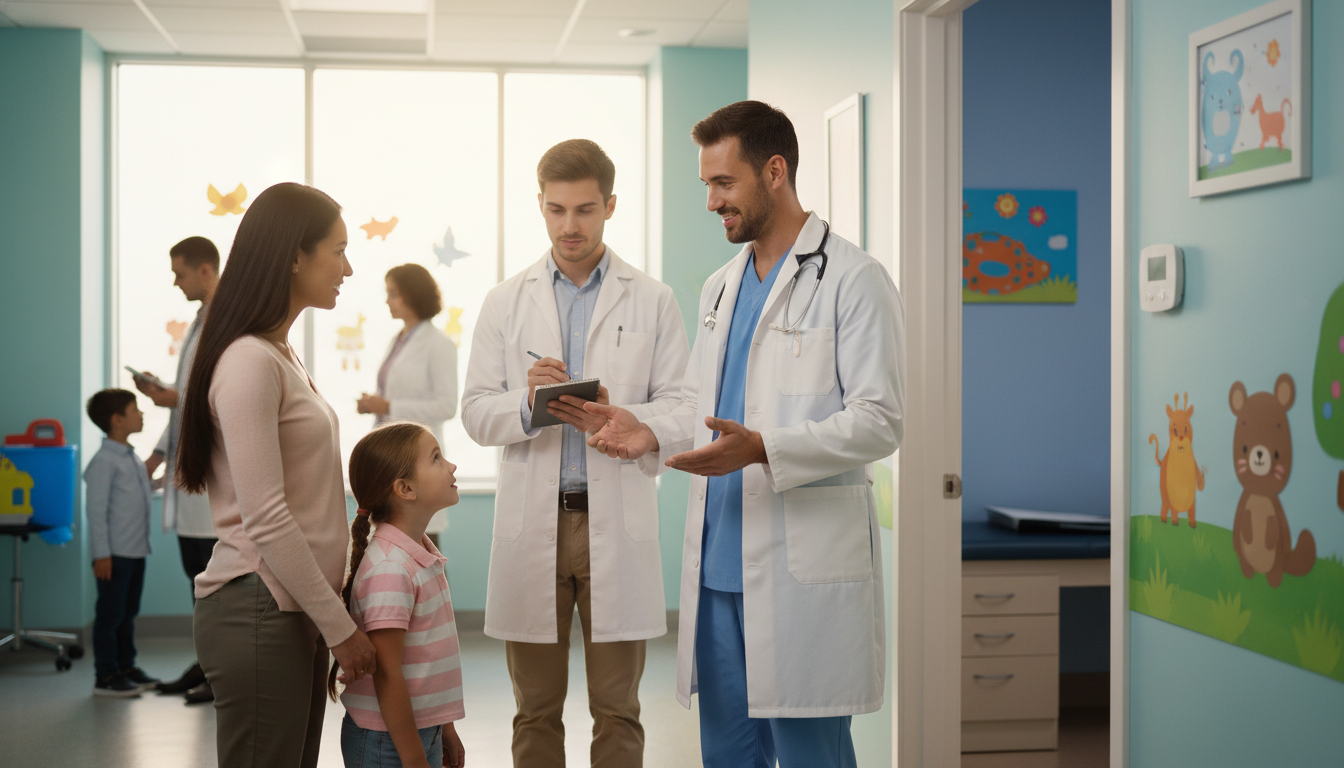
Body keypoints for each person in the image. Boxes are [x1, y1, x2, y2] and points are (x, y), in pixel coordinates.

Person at [584, 101, 906, 768]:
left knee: (812, 753)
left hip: (801, 568)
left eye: (723, 183)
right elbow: (709, 409)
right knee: (728, 755)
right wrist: (647, 430)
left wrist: (764, 448)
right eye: (707, 184)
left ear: (775, 172)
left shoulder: (854, 279)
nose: (711, 201)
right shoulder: (719, 289)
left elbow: (881, 419)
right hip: (718, 572)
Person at [461, 138, 689, 767]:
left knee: (618, 711)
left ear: (610, 206)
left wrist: (631, 420)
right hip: (535, 519)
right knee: (534, 711)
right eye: (557, 209)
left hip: (614, 517)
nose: (570, 225)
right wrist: (527, 403)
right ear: (539, 205)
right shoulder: (505, 301)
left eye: (585, 209)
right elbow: (476, 413)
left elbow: (686, 408)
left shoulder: (653, 298)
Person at [175, 182, 377, 768]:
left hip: (292, 607)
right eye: (337, 250)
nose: (348, 266)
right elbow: (266, 515)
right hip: (260, 605)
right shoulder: (248, 360)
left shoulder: (278, 352)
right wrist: (339, 626)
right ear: (294, 254)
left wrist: (329, 614)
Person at [333, 422, 467, 768]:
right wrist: (414, 759)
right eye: (436, 458)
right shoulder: (391, 569)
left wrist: (444, 726)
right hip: (388, 744)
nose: (451, 466)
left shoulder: (417, 553)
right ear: (405, 488)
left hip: (418, 730)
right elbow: (388, 674)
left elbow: (423, 660)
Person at [134, 235, 220, 705]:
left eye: (180, 273)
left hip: (212, 479)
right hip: (190, 475)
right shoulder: (202, 319)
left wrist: (176, 399)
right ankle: (205, 663)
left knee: (210, 579)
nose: (175, 281)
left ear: (205, 270)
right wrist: (159, 452)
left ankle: (217, 671)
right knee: (196, 574)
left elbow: (214, 399)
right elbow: (188, 400)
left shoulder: (228, 321)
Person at [357, 263, 458, 537]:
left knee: (422, 548)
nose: (387, 301)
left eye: (393, 293)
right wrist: (375, 404)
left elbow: (447, 406)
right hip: (392, 458)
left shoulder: (439, 343)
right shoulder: (397, 340)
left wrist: (389, 407)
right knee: (391, 543)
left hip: (417, 460)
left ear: (412, 295)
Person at [84, 389, 161, 697]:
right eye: (135, 410)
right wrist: (101, 554)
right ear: (117, 420)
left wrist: (163, 480)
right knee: (110, 615)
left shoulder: (128, 456)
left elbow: (140, 491)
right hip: (114, 555)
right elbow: (96, 511)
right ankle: (105, 675)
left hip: (134, 551)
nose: (140, 414)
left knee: (127, 613)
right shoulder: (104, 461)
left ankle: (126, 667)